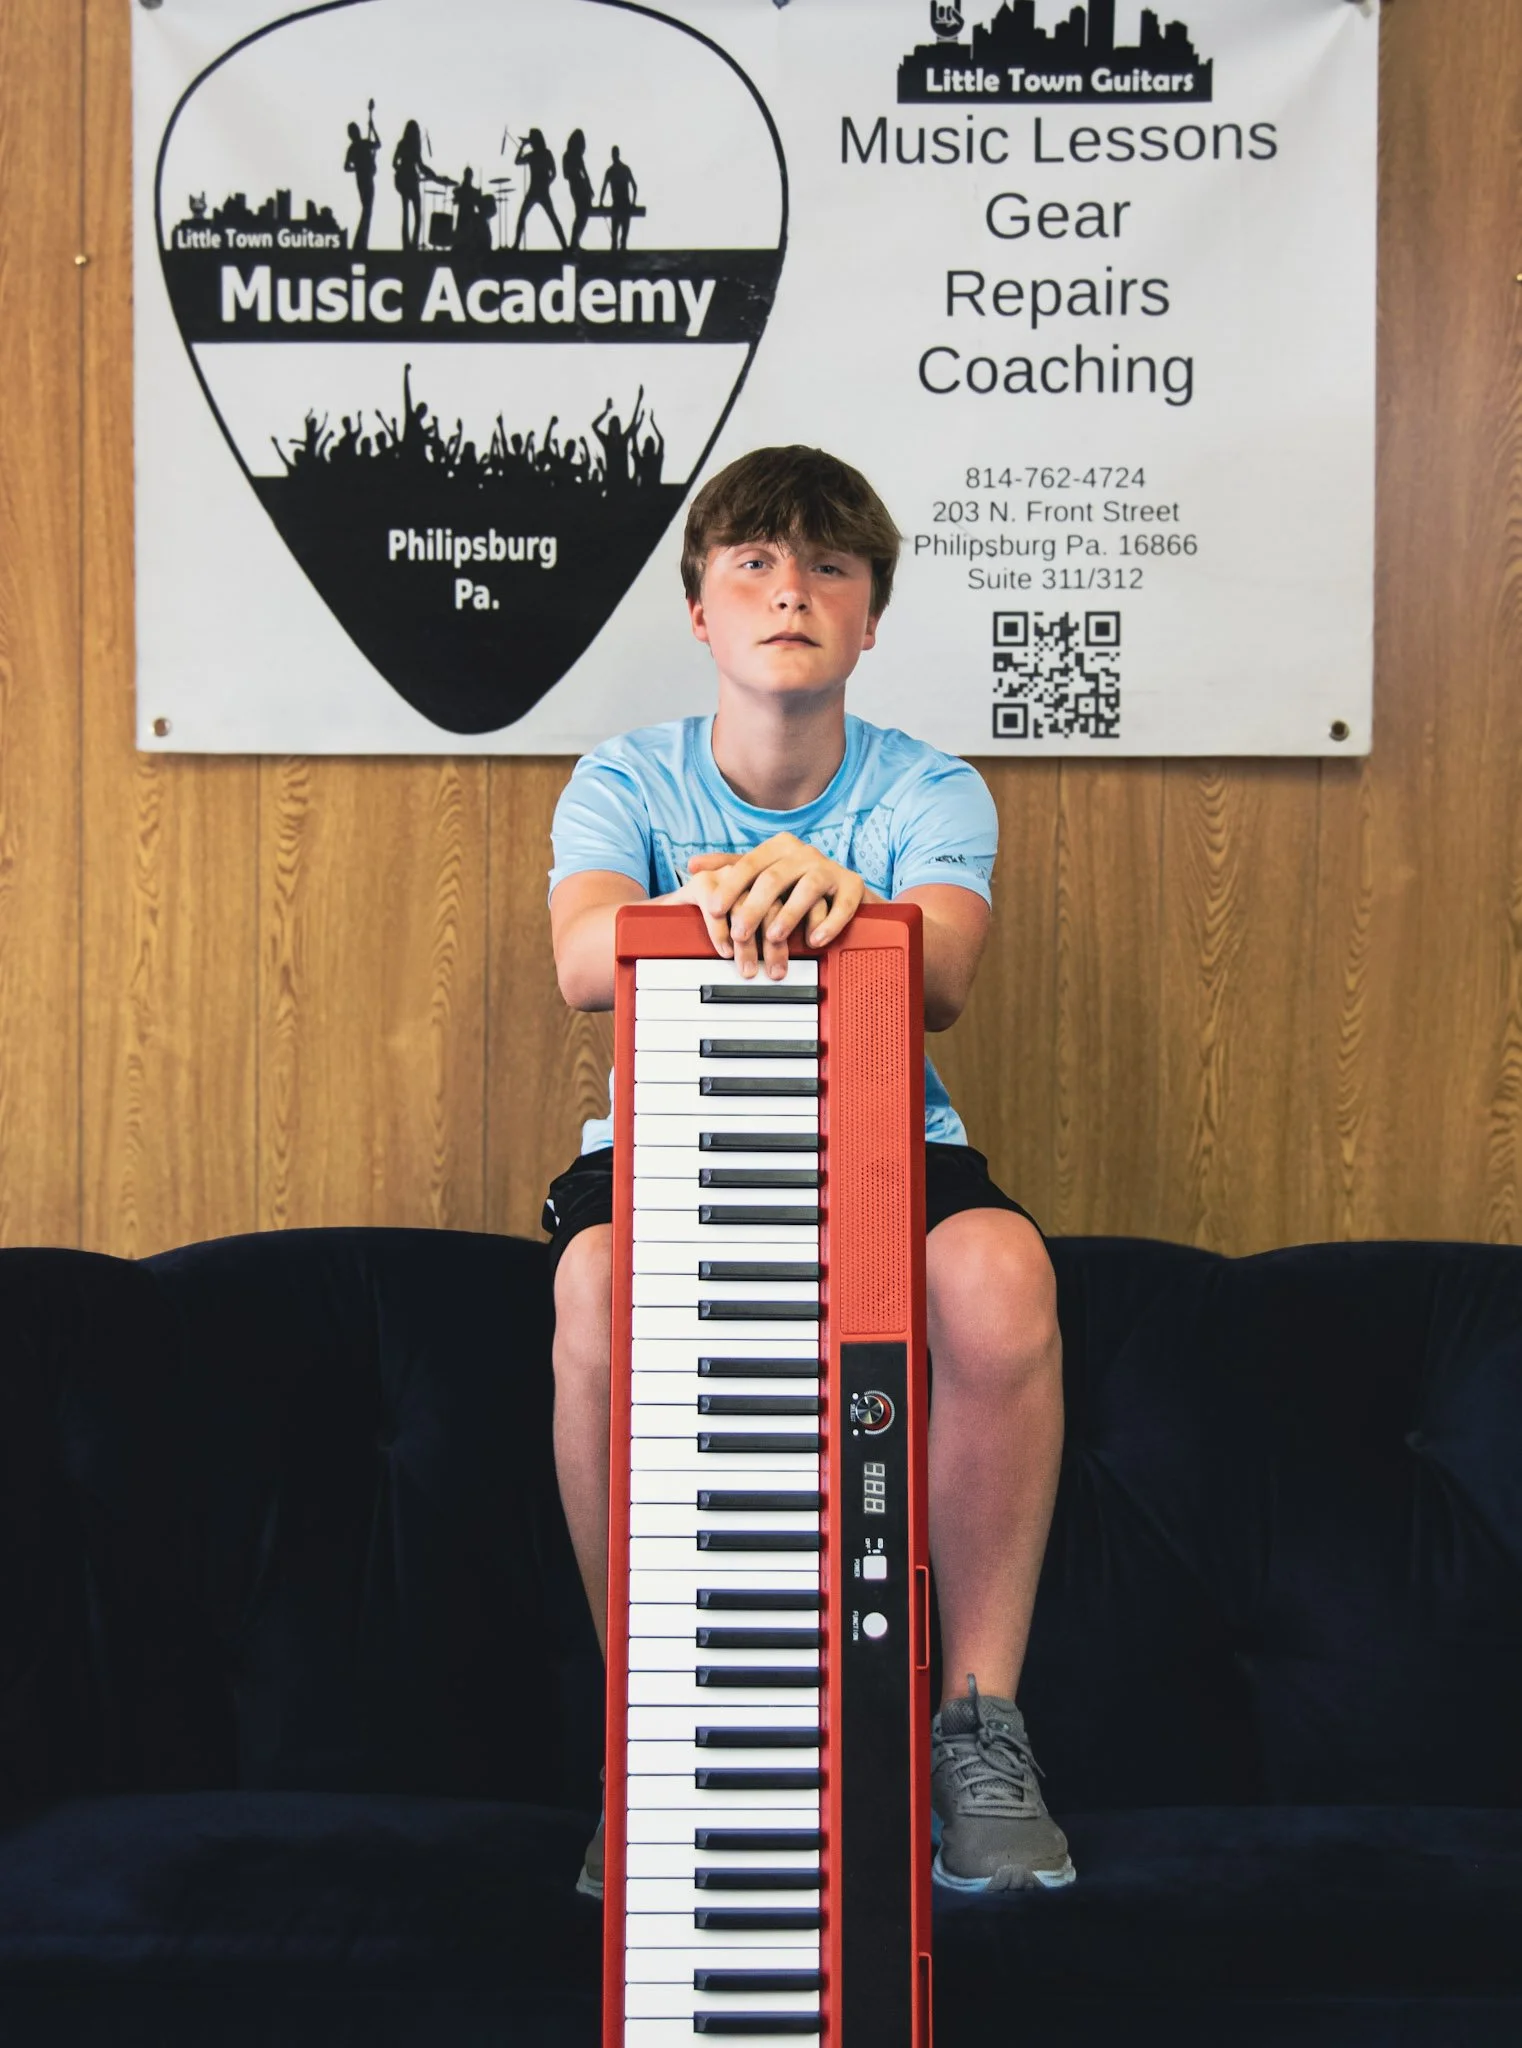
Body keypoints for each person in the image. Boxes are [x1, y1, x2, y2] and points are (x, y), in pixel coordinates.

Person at [543, 444, 1074, 1900]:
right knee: (593, 1282)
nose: (793, 590)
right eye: (754, 566)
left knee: (997, 1270)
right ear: (702, 613)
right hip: (671, 1155)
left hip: (890, 1143)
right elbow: (585, 958)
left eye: (830, 568)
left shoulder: (928, 788)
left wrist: (857, 903)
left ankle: (978, 1722)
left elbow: (946, 973)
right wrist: (728, 888)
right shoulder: (623, 778)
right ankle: (640, 1738)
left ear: (870, 620)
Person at [513, 128, 567, 250]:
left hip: (536, 191)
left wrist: (522, 146)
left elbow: (517, 161)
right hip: (540, 190)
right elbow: (554, 173)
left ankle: (516, 245)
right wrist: (548, 182)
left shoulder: (536, 155)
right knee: (552, 218)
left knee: (523, 217)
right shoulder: (545, 153)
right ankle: (564, 245)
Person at [392, 118, 440, 251]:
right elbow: (420, 166)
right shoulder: (414, 146)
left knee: (406, 214)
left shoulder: (402, 144)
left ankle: (406, 245)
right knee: (418, 216)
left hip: (404, 181)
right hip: (411, 181)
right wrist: (432, 174)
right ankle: (414, 244)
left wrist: (400, 170)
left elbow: (394, 163)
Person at [343, 104, 381, 252]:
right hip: (365, 179)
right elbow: (378, 144)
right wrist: (358, 167)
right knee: (367, 208)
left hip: (363, 178)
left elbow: (377, 145)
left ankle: (362, 241)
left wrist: (357, 167)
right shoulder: (361, 145)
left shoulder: (355, 147)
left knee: (367, 209)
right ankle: (360, 242)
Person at [598, 145, 637, 251]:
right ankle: (619, 257)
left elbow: (604, 189)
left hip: (620, 206)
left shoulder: (612, 171)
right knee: (618, 240)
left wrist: (601, 203)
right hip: (623, 206)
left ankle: (617, 258)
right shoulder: (623, 169)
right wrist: (633, 203)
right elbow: (634, 187)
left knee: (618, 240)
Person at [562, 128, 594, 250]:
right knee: (582, 214)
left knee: (581, 214)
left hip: (575, 185)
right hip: (578, 185)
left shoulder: (567, 155)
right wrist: (589, 187)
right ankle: (574, 242)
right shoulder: (573, 155)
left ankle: (575, 242)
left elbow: (567, 175)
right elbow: (583, 173)